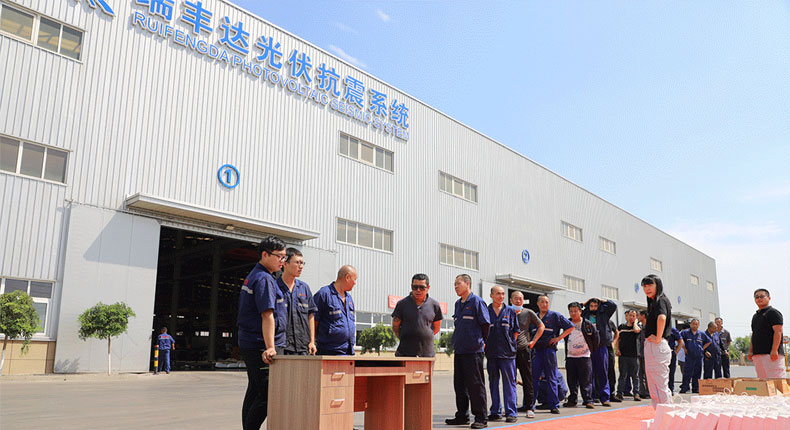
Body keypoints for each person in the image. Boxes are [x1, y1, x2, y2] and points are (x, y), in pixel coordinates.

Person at [237, 235, 287, 430]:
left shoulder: (257, 275)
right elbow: (267, 315)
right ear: (265, 255)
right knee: (268, 394)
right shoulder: (264, 279)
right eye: (279, 257)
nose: (282, 261)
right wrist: (270, 347)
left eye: (284, 257)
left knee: (254, 390)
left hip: (252, 342)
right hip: (260, 345)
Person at [445, 274, 491, 429]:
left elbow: (485, 325)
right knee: (459, 385)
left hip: (473, 351)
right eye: (454, 284)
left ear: (467, 283)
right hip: (460, 350)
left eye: (458, 283)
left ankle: (481, 418)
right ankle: (462, 416)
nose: (455, 286)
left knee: (475, 386)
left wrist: (482, 343)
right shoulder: (458, 304)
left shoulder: (477, 302)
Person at [531, 295, 574, 415]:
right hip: (536, 351)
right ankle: (530, 405)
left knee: (551, 378)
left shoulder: (555, 316)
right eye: (542, 302)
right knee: (534, 378)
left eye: (547, 302)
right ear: (538, 304)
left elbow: (570, 326)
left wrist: (558, 338)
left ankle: (553, 405)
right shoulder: (533, 317)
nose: (545, 304)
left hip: (549, 351)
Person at [485, 286, 520, 423]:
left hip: (507, 354)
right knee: (493, 383)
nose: (501, 296)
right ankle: (495, 411)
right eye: (498, 294)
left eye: (503, 294)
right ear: (491, 295)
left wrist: (511, 344)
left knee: (509, 384)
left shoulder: (510, 311)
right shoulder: (486, 311)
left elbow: (516, 331)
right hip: (492, 354)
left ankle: (511, 412)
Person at [277, 248, 318, 355]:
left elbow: (311, 315)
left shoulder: (304, 288)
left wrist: (312, 342)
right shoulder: (274, 287)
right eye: (297, 262)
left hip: (303, 346)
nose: (301, 266)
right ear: (285, 264)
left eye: (302, 263)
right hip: (282, 346)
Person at [510, 291, 544, 419]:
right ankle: (511, 407)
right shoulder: (507, 312)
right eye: (516, 298)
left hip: (523, 349)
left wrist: (533, 341)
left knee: (527, 379)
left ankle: (529, 407)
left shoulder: (528, 313)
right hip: (509, 351)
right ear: (511, 300)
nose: (518, 301)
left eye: (520, 299)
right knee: (510, 380)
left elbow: (541, 326)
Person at [391, 273, 443, 357]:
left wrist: (424, 336)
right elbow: (395, 326)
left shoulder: (435, 305)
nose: (418, 290)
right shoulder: (402, 304)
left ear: (428, 287)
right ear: (411, 286)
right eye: (415, 287)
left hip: (427, 354)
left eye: (422, 287)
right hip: (405, 353)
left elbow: (436, 328)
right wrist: (407, 338)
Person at [641, 275, 673, 408]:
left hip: (657, 345)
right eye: (644, 286)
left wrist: (658, 338)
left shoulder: (661, 300)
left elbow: (662, 318)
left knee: (659, 384)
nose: (647, 288)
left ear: (658, 285)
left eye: (650, 285)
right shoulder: (653, 302)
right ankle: (661, 414)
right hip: (654, 346)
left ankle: (665, 414)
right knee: (654, 384)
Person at [314, 265, 357, 355]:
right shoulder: (324, 294)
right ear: (347, 277)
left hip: (348, 352)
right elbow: (313, 322)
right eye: (355, 279)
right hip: (329, 352)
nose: (355, 283)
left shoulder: (349, 298)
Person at [582, 298, 617, 406]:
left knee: (603, 372)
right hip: (588, 347)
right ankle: (590, 399)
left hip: (601, 346)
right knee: (589, 374)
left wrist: (601, 300)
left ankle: (605, 398)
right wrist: (585, 302)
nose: (593, 308)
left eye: (595, 306)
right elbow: (576, 307)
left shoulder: (604, 314)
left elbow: (613, 305)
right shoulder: (585, 315)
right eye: (591, 306)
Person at [564, 302, 598, 409]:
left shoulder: (587, 324)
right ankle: (572, 400)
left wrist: (591, 350)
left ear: (580, 311)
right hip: (571, 357)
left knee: (586, 380)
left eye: (575, 311)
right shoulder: (567, 323)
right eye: (571, 311)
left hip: (584, 357)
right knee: (571, 380)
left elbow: (596, 338)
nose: (573, 313)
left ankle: (588, 400)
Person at [748, 288, 786, 378]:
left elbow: (778, 331)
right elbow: (754, 334)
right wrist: (751, 351)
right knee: (763, 381)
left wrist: (774, 350)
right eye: (756, 297)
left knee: (777, 380)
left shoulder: (773, 313)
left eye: (762, 296)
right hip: (758, 354)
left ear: (769, 298)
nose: (759, 299)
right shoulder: (755, 316)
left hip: (771, 354)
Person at [615, 310, 641, 401]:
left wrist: (635, 323)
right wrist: (617, 349)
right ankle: (619, 393)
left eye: (634, 316)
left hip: (634, 355)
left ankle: (636, 393)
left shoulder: (638, 326)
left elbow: (636, 330)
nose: (631, 317)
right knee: (622, 375)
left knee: (635, 376)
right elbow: (618, 338)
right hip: (623, 355)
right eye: (630, 315)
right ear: (627, 316)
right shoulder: (621, 327)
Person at [679, 319, 704, 393]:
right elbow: (679, 340)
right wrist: (684, 348)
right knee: (687, 373)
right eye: (693, 324)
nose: (695, 325)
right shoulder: (685, 333)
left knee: (697, 373)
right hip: (689, 356)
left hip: (698, 356)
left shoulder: (701, 334)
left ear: (698, 325)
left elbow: (709, 341)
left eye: (696, 324)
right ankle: (684, 388)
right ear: (690, 324)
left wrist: (702, 349)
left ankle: (695, 388)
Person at [607, 319, 620, 402]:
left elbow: (616, 332)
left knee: (611, 371)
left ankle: (612, 394)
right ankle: (597, 395)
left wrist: (614, 342)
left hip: (609, 349)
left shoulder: (609, 322)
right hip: (597, 349)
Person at [667, 326, 683, 393]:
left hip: (671, 353)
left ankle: (670, 389)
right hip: (660, 354)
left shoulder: (672, 329)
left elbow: (680, 341)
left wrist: (676, 352)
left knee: (671, 372)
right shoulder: (657, 327)